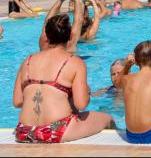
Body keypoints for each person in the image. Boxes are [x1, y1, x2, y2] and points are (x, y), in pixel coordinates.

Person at [13, 13, 115, 143]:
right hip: (56, 130)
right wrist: (86, 92)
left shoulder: (27, 61)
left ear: (47, 36)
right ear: (71, 36)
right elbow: (81, 104)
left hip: (24, 131)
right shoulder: (74, 62)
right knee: (108, 119)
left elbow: (17, 102)